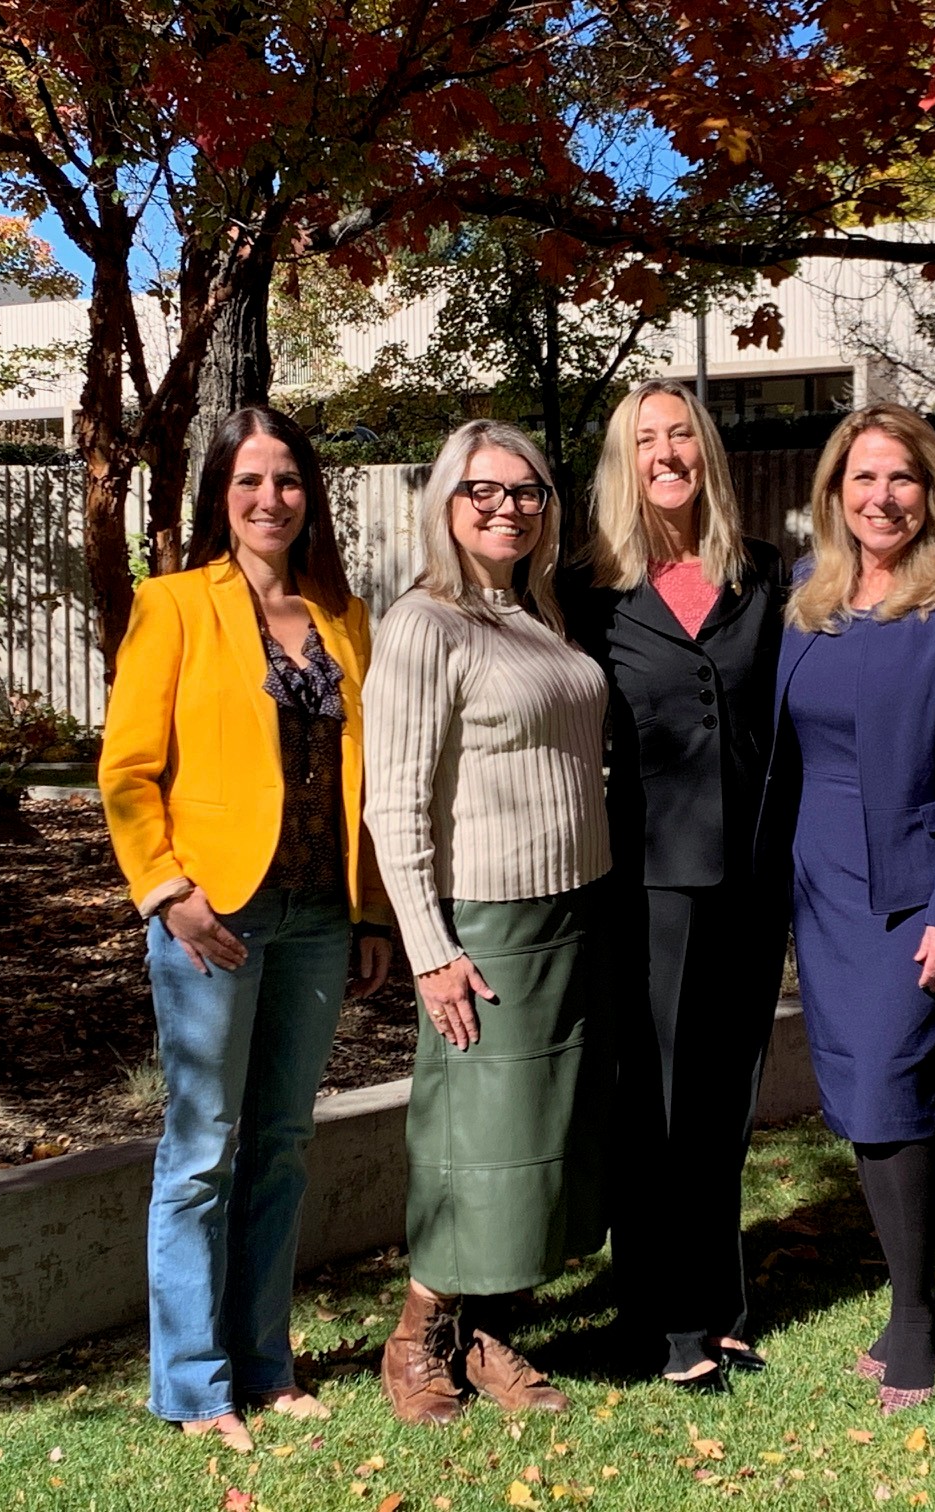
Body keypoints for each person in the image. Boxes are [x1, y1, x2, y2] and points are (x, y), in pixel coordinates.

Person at [99, 405, 394, 1453]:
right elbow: (127, 770)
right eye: (250, 482)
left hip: (320, 914)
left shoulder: (344, 617)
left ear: (309, 495)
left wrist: (369, 910)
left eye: (288, 480)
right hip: (209, 916)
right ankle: (192, 1382)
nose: (272, 499)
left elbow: (368, 778)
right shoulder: (173, 604)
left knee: (280, 1146)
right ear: (221, 497)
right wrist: (166, 888)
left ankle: (266, 1365)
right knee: (201, 1152)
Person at [759, 403, 935, 1414]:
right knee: (859, 1100)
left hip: (916, 888)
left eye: (901, 479)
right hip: (820, 885)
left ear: (933, 491)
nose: (882, 498)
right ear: (833, 493)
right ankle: (914, 1292)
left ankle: (916, 1311)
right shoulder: (808, 596)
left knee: (892, 1087)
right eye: (862, 479)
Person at [363, 419, 613, 1426]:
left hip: (572, 908)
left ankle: (484, 1331)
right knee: (477, 1138)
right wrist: (430, 950)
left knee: (539, 1139)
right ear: (445, 502)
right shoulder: (425, 623)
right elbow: (395, 803)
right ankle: (416, 1335)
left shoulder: (534, 612)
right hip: (487, 923)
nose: (505, 508)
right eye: (484, 491)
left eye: (526, 493)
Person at [563, 378, 788, 1392]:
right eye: (646, 439)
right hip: (645, 883)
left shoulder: (765, 578)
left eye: (682, 435)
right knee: (650, 1103)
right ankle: (659, 1319)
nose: (666, 453)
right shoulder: (587, 592)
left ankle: (721, 1300)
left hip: (749, 878)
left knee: (721, 1099)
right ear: (625, 460)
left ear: (707, 453)